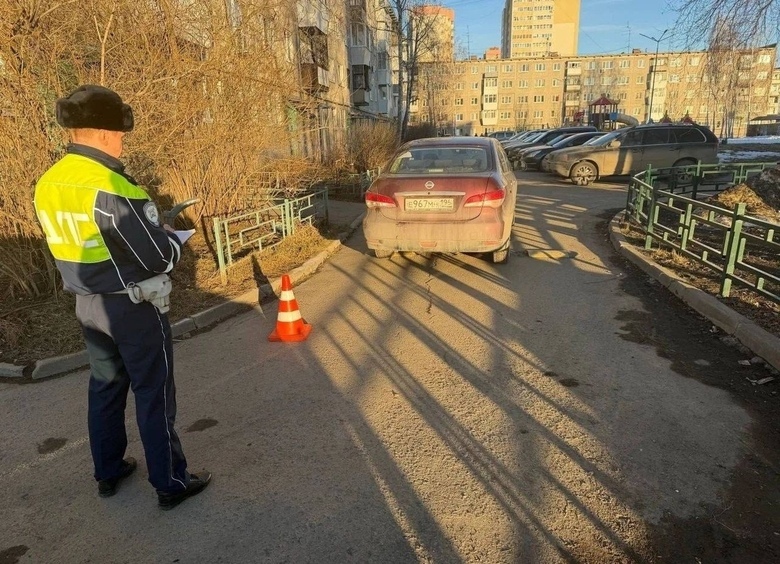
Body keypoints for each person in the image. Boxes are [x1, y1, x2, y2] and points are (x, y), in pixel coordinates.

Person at [33, 84, 211, 510]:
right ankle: (170, 482)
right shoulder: (112, 185)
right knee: (153, 393)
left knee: (105, 389)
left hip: (87, 306)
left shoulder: (48, 183)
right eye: (120, 133)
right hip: (132, 306)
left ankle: (109, 471)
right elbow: (157, 258)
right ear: (106, 132)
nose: (122, 141)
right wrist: (172, 240)